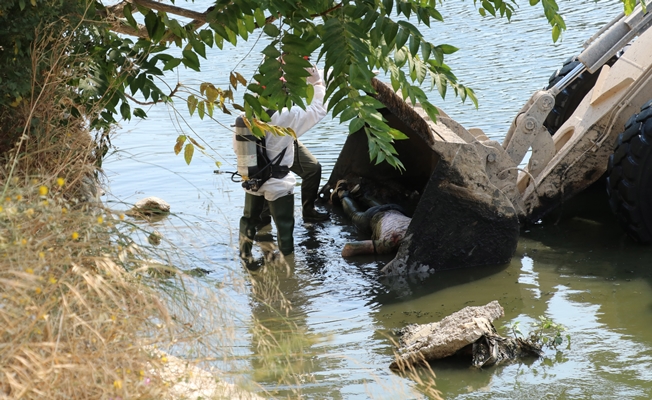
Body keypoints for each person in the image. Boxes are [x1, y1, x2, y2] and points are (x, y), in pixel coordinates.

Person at [236, 66, 327, 263]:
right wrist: (317, 84)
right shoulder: (286, 116)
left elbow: (237, 149)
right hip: (278, 183)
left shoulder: (245, 116)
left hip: (252, 180)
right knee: (285, 226)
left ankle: (246, 258)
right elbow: (318, 110)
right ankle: (287, 267)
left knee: (248, 221)